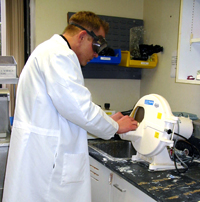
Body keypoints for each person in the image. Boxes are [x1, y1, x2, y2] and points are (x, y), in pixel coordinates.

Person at [3, 11, 137, 202]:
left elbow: (68, 110)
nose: (97, 53)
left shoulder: (49, 51)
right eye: (97, 44)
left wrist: (107, 120)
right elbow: (78, 108)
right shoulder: (59, 55)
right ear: (82, 36)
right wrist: (116, 127)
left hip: (42, 153)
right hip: (49, 160)